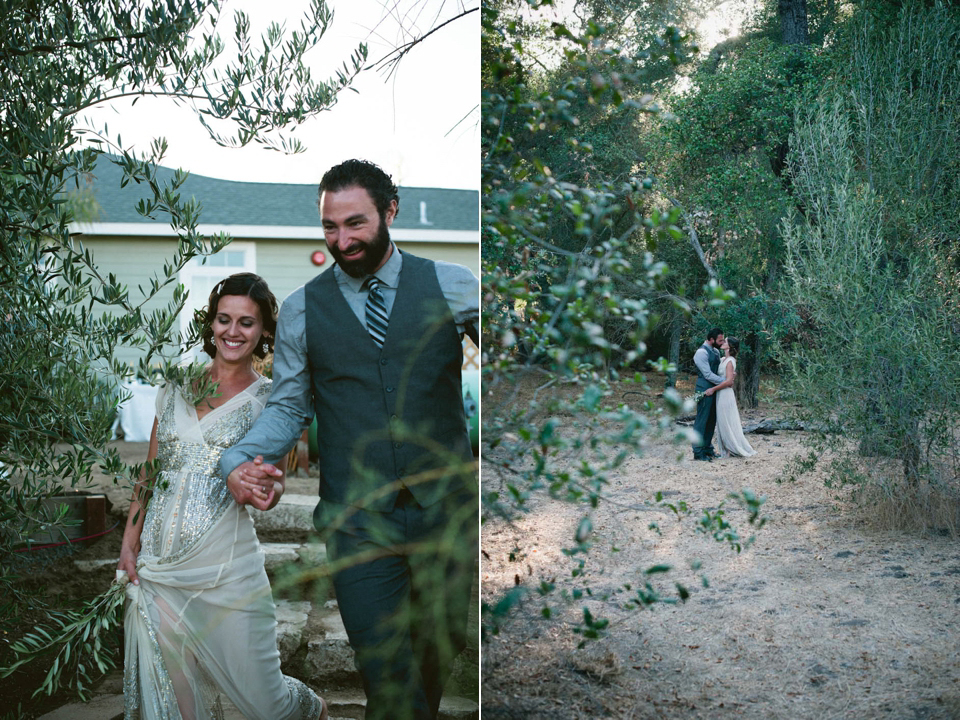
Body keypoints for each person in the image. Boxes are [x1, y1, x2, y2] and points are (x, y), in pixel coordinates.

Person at [219, 159, 479, 720]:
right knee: (383, 661)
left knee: (435, 653)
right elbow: (289, 404)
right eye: (330, 228)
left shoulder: (455, 285)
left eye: (355, 224)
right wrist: (239, 457)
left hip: (445, 512)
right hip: (357, 518)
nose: (342, 240)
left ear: (390, 212)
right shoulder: (303, 310)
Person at [117, 273, 327, 720]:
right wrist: (129, 543)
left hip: (226, 571)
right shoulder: (175, 385)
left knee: (267, 704)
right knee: (175, 699)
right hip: (161, 566)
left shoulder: (273, 401)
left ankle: (314, 711)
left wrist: (267, 490)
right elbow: (149, 473)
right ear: (210, 325)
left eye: (246, 323)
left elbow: (271, 478)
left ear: (265, 331)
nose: (232, 332)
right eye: (224, 319)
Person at [707, 336, 756, 458]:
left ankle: (729, 450)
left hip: (725, 394)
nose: (723, 342)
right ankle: (725, 449)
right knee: (722, 422)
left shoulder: (730, 361)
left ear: (730, 346)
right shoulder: (723, 358)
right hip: (720, 394)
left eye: (725, 341)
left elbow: (729, 382)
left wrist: (713, 389)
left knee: (726, 421)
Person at [692, 327, 729, 461]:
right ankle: (698, 451)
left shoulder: (715, 351)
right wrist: (726, 381)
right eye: (719, 340)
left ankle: (708, 448)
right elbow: (707, 374)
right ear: (711, 339)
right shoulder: (701, 352)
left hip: (715, 388)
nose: (721, 342)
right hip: (704, 389)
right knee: (702, 420)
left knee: (711, 419)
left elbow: (717, 371)